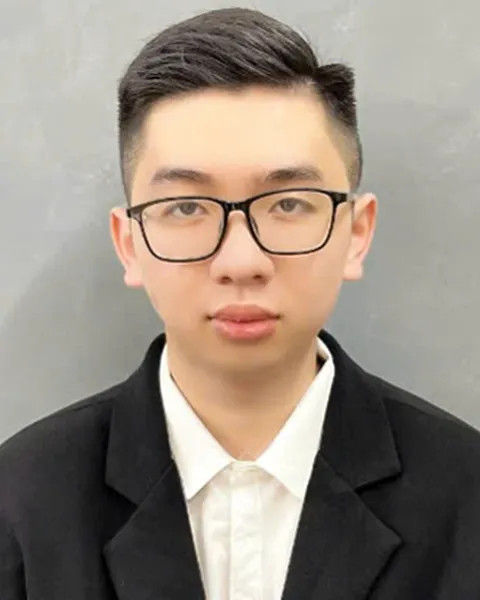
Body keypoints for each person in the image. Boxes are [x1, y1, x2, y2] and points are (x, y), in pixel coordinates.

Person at [1, 7, 480, 600]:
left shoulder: (466, 496)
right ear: (129, 244)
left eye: (288, 204)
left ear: (357, 233)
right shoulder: (21, 503)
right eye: (185, 207)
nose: (241, 262)